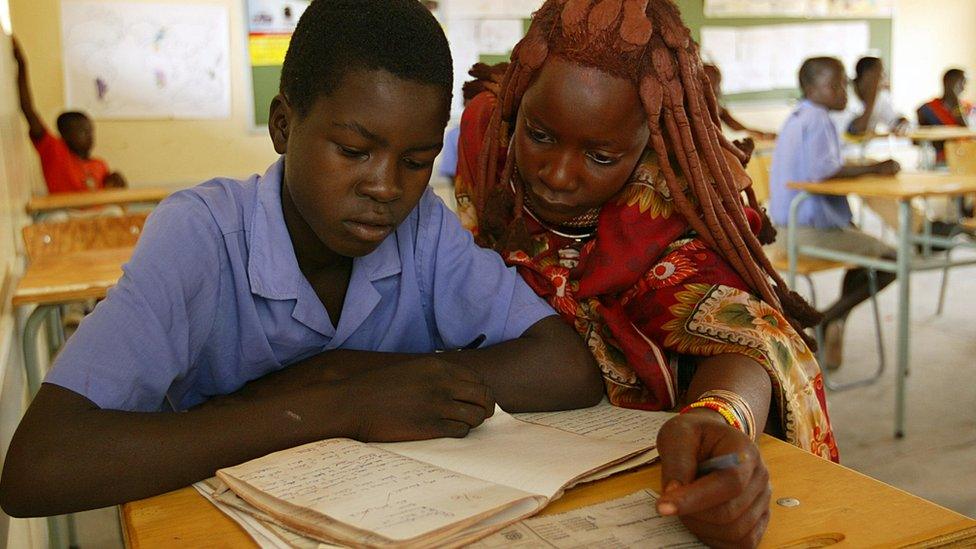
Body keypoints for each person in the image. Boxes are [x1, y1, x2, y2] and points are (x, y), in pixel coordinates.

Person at [0, 0, 603, 518]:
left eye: (417, 161)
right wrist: (338, 404)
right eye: (353, 150)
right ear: (284, 126)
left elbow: (565, 367)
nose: (387, 187)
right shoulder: (203, 235)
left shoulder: (421, 229)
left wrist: (340, 371)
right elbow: (38, 467)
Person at [455, 1, 838, 546]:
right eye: (540, 136)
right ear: (518, 104)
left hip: (632, 481)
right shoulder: (489, 144)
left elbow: (750, 341)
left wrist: (716, 419)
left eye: (602, 156)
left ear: (647, 144)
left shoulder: (667, 209)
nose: (558, 175)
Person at [769, 57, 898, 370]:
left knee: (865, 256)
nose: (844, 92)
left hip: (786, 229)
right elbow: (823, 173)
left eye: (843, 83)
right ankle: (827, 318)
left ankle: (834, 319)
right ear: (812, 89)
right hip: (807, 232)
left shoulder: (800, 115)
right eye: (835, 85)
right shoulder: (818, 119)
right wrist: (876, 167)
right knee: (892, 260)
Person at [12, 38, 127, 193]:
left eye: (90, 130)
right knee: (57, 216)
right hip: (65, 212)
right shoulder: (55, 152)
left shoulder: (100, 165)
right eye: (83, 132)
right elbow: (28, 110)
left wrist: (116, 184)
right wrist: (22, 64)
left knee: (115, 212)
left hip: (97, 215)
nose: (90, 136)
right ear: (65, 135)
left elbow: (111, 194)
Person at [832, 56, 909, 140]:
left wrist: (902, 122)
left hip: (869, 149)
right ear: (867, 75)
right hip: (847, 149)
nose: (883, 77)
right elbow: (855, 130)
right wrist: (871, 98)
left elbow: (894, 121)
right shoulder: (844, 96)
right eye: (880, 73)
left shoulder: (880, 96)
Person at [703, 63, 776, 140]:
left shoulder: (717, 105)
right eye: (712, 83)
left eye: (718, 83)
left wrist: (763, 135)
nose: (718, 89)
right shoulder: (697, 107)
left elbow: (734, 125)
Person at [917, 68, 975, 164]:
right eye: (961, 82)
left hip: (969, 158)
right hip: (940, 161)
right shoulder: (926, 109)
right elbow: (921, 142)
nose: (964, 87)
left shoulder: (969, 108)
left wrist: (956, 104)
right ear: (947, 83)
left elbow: (968, 131)